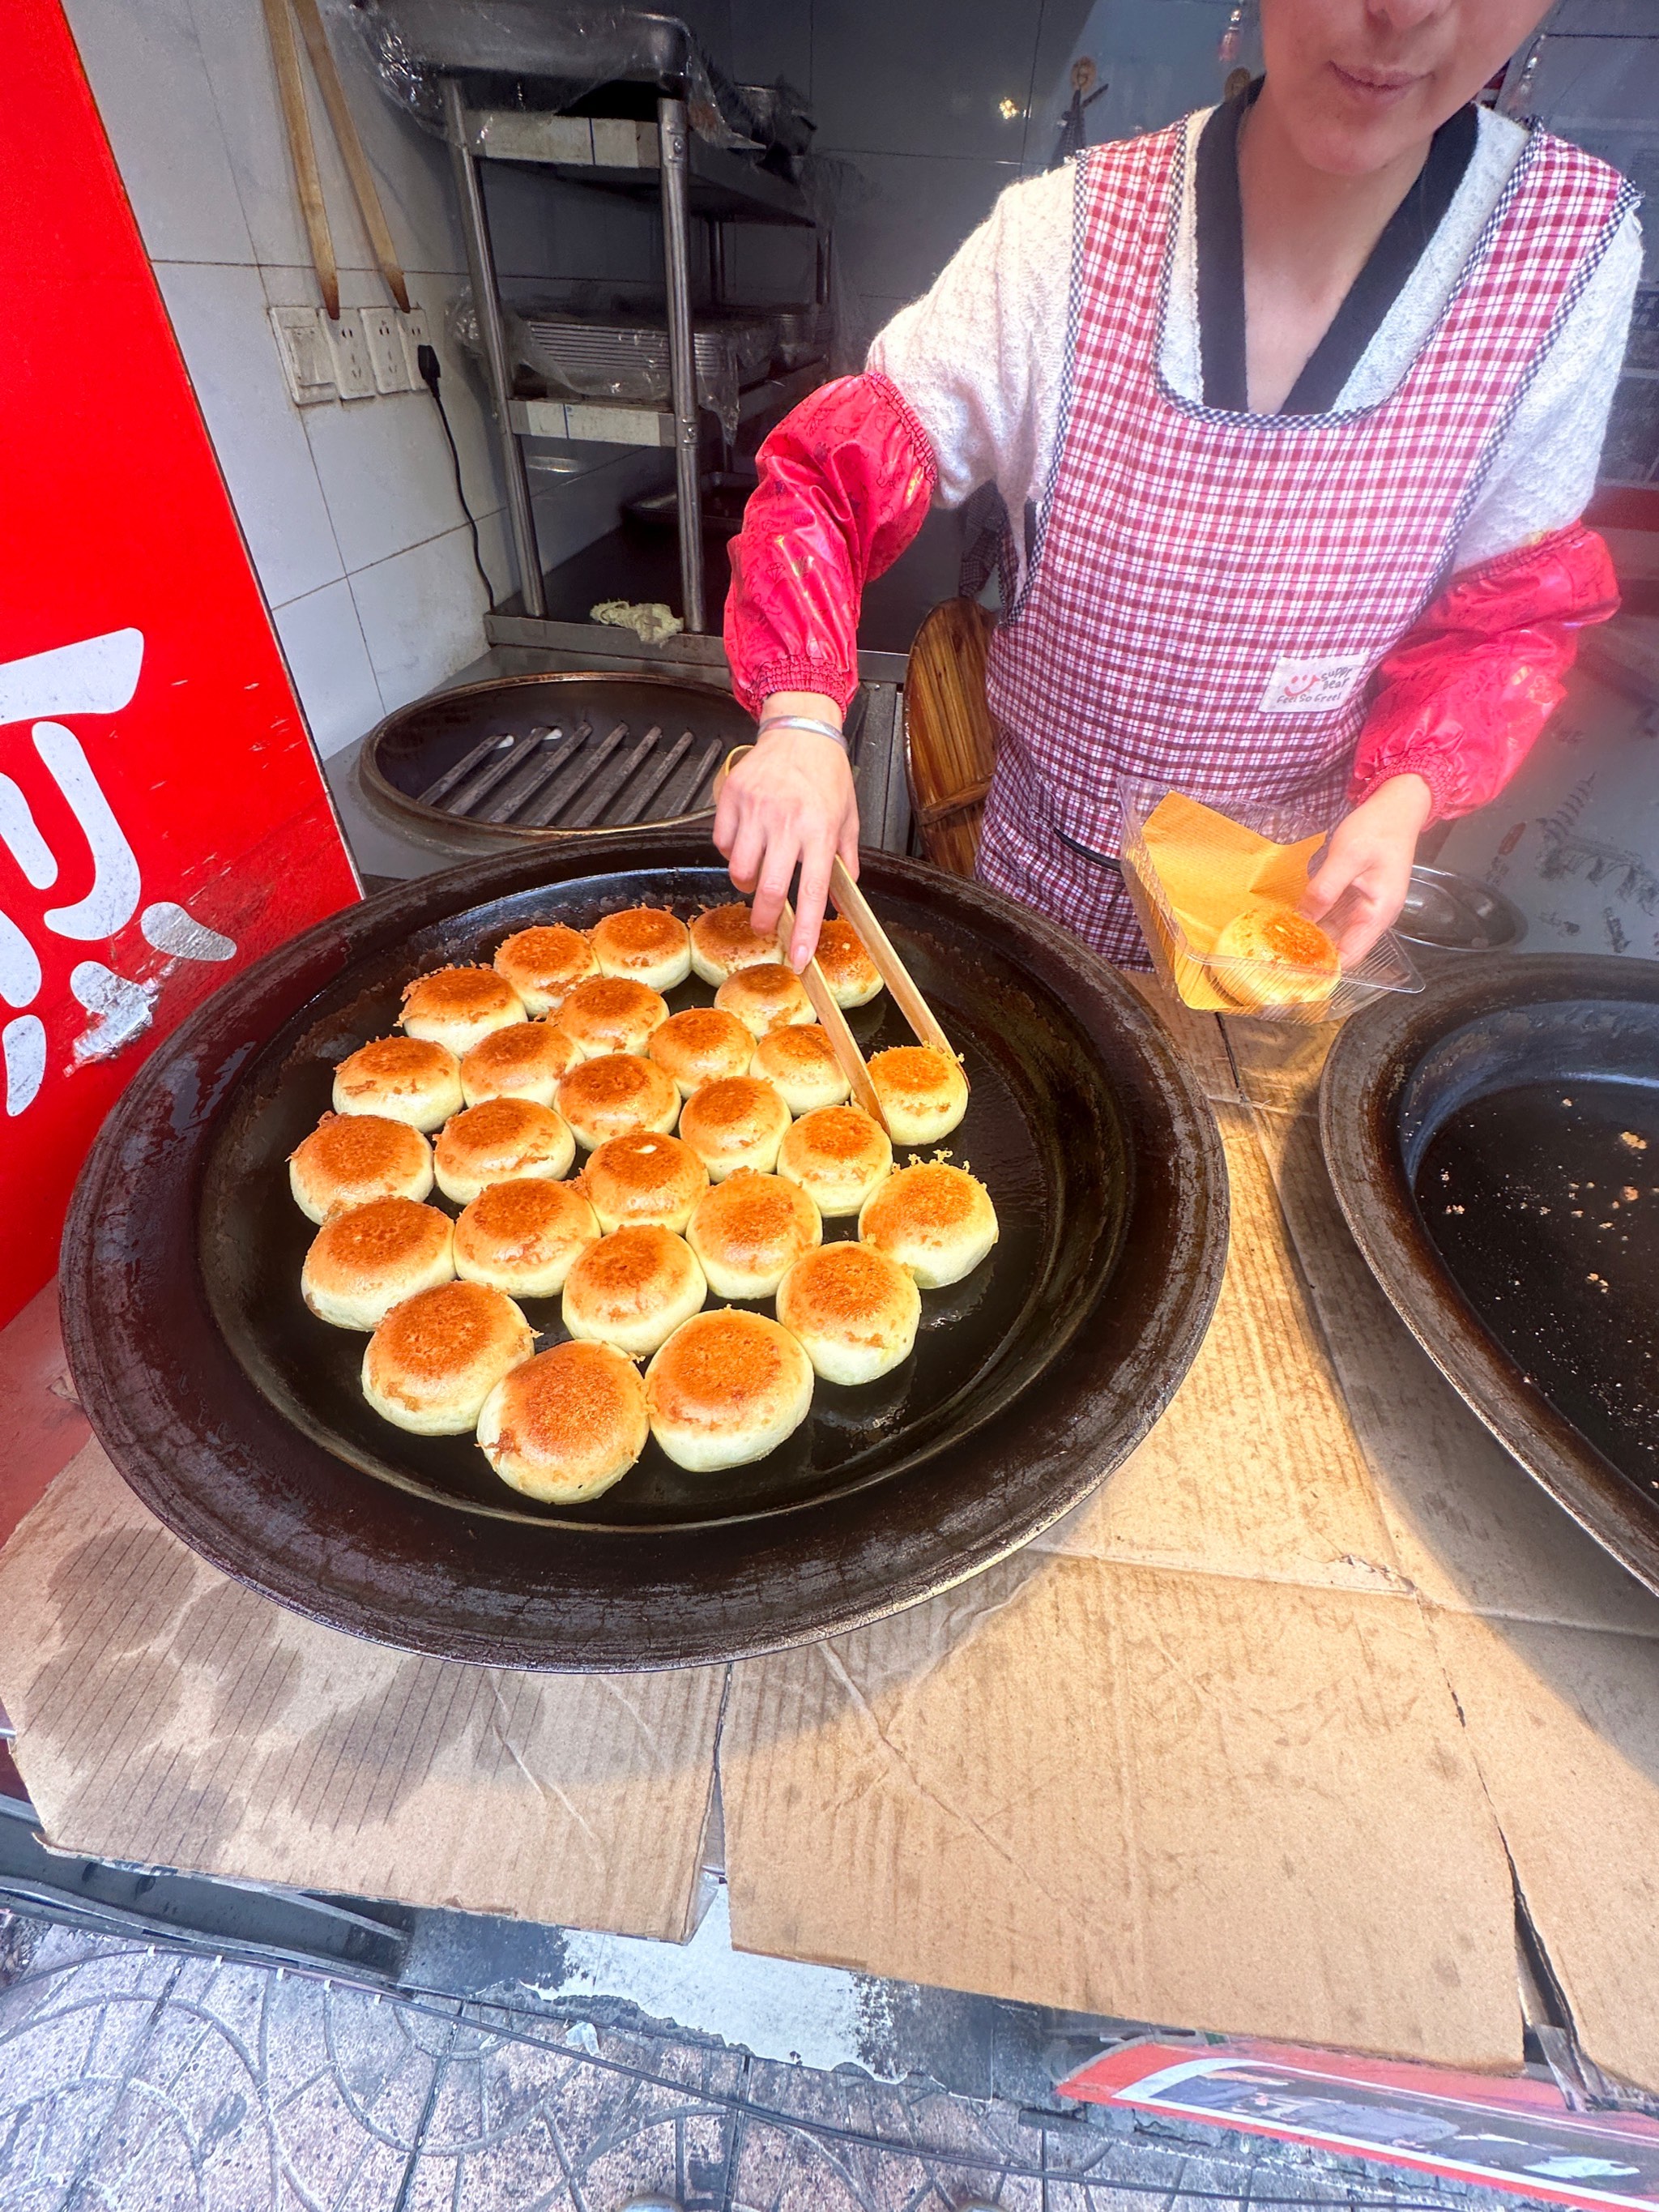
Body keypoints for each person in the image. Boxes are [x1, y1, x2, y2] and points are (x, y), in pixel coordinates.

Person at [717, 0, 1640, 973]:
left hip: (1282, 916)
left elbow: (1507, 620)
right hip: (1043, 893)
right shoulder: (1062, 238)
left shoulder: (1565, 254)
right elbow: (827, 479)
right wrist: (801, 718)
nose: (1404, 10)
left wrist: (1404, 795)